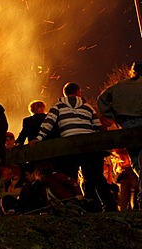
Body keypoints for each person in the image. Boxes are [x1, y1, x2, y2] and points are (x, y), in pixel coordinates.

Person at [31, 82, 116, 212]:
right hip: (88, 145)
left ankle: (74, 206)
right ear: (78, 92)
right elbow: (97, 126)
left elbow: (48, 123)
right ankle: (104, 205)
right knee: (94, 177)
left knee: (70, 177)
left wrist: (38, 138)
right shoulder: (87, 107)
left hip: (69, 146)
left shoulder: (58, 106)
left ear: (65, 93)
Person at [97, 61, 142, 203]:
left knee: (135, 161)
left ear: (133, 71)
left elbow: (101, 100)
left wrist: (112, 116)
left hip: (127, 126)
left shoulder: (119, 86)